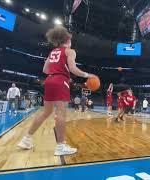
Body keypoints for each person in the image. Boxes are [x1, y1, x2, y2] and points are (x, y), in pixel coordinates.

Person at [18, 26, 97, 156]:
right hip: (61, 82)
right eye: (70, 39)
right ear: (67, 39)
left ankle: (26, 139)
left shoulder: (53, 51)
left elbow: (45, 70)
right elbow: (73, 69)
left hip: (49, 81)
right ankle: (60, 146)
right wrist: (87, 75)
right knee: (61, 114)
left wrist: (56, 71)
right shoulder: (70, 51)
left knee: (45, 112)